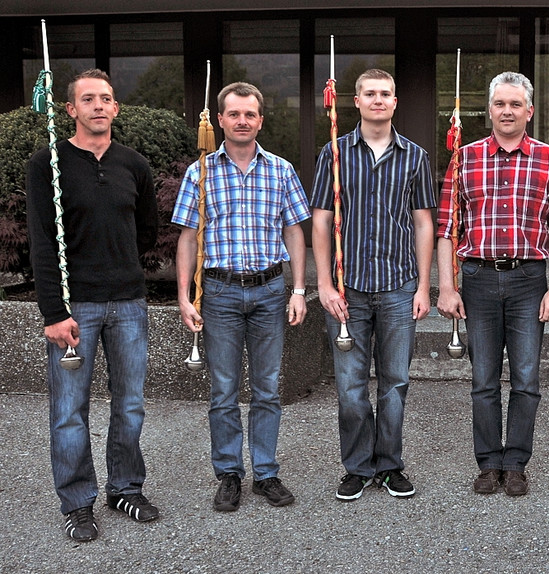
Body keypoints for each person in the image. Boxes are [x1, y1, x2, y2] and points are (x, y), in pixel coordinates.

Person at [26, 68, 160, 542]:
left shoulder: (134, 164)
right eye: (88, 99)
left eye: (105, 98)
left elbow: (146, 230)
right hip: (74, 306)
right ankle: (77, 502)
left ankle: (125, 487)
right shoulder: (48, 164)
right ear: (70, 109)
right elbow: (43, 243)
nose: (98, 106)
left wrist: (121, 265)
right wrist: (53, 313)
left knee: (130, 404)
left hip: (128, 303)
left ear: (115, 108)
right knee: (69, 410)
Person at [436, 71, 549, 497]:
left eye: (516, 104)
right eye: (500, 104)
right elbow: (446, 230)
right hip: (477, 278)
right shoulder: (464, 158)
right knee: (483, 380)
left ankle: (515, 463)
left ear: (529, 111)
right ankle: (488, 464)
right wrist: (446, 287)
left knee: (527, 379)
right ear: (490, 110)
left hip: (528, 280)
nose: (508, 111)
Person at [174, 81, 310, 512]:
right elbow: (188, 237)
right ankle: (229, 473)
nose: (242, 121)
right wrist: (184, 296)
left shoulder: (281, 170)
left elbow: (294, 231)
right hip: (219, 292)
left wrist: (299, 290)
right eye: (234, 114)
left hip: (269, 290)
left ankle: (266, 473)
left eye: (250, 114)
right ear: (220, 120)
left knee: (267, 388)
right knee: (224, 390)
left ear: (260, 120)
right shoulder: (200, 172)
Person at [310, 69, 435, 501]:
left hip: (399, 285)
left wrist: (424, 286)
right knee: (350, 387)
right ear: (356, 101)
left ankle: (390, 465)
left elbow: (423, 223)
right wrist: (324, 284)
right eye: (370, 93)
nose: (378, 100)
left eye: (385, 93)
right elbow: (321, 221)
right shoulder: (334, 153)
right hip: (349, 288)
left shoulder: (415, 156)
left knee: (395, 383)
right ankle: (358, 467)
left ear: (395, 102)